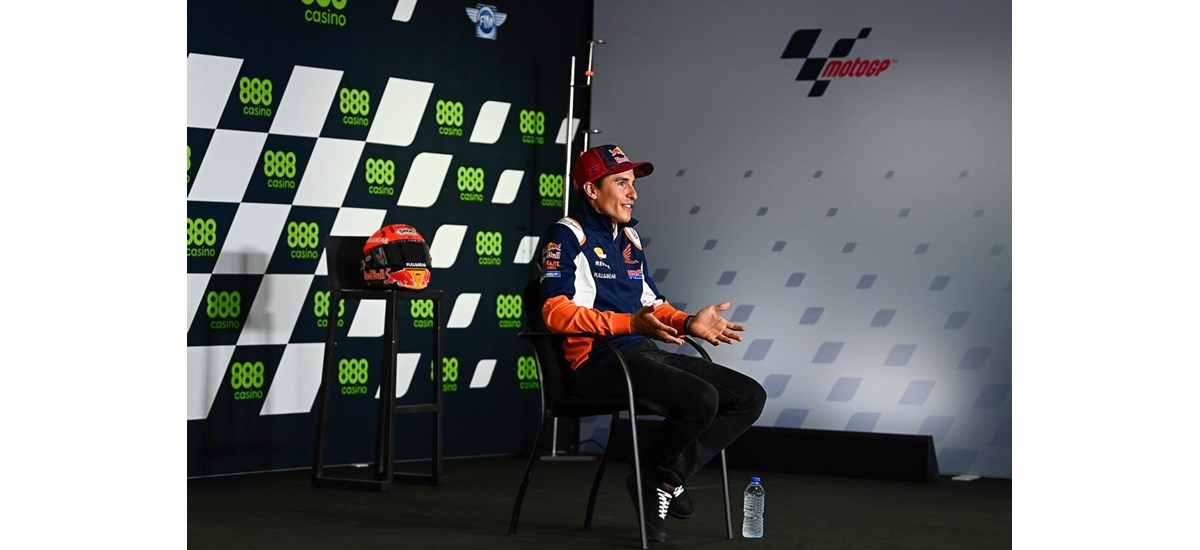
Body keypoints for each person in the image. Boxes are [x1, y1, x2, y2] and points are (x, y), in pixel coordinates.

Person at [537, 144, 767, 543]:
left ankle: (663, 476)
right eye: (621, 183)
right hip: (597, 363)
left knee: (749, 396)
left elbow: (652, 304)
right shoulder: (567, 234)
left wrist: (688, 322)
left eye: (633, 183)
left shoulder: (629, 237)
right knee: (701, 399)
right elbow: (554, 313)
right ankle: (658, 477)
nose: (633, 193)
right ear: (591, 189)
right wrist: (629, 323)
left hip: (643, 354)